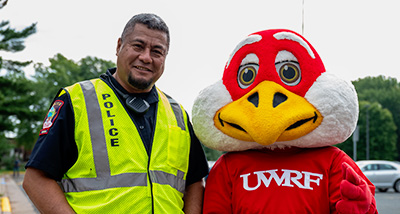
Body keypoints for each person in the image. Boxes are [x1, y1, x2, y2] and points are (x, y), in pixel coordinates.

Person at [23, 13, 209, 214]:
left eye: (157, 51)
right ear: (119, 46)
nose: (146, 57)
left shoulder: (178, 114)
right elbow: (35, 181)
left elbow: (194, 182)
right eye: (138, 46)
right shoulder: (77, 100)